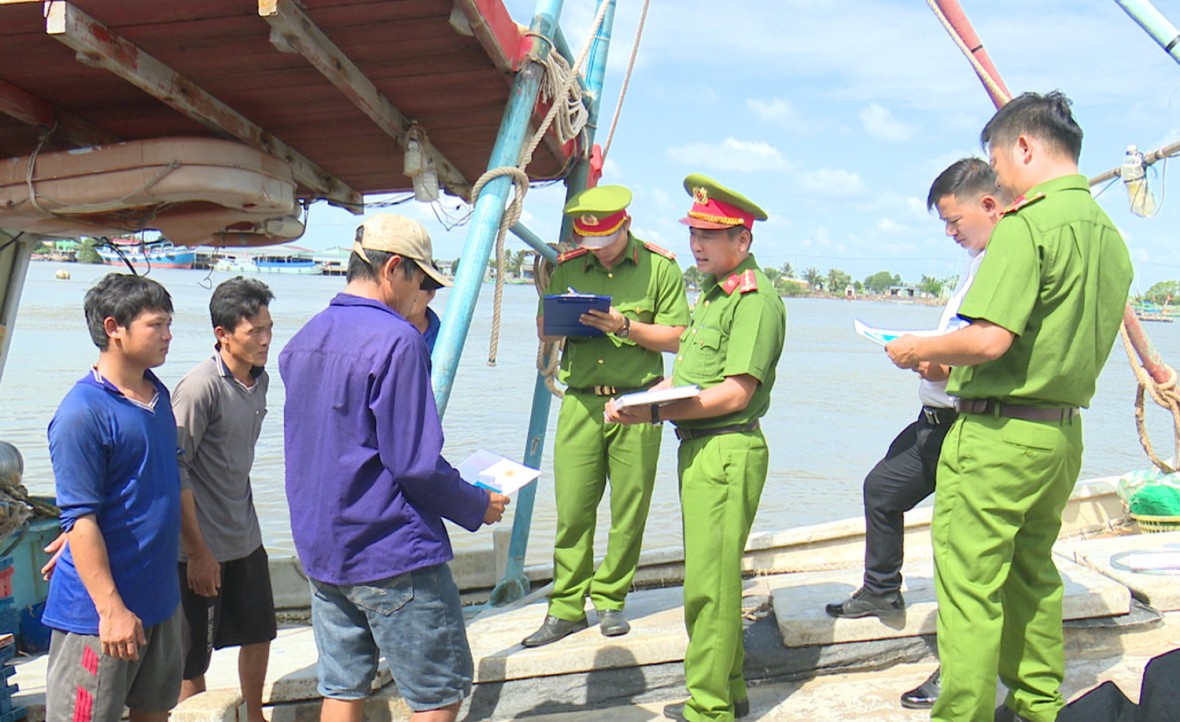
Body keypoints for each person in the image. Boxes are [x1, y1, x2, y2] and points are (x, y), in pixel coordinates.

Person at [885, 91, 1133, 722]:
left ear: (1023, 147)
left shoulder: (1028, 226)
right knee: (1032, 576)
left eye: (997, 159)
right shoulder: (1111, 238)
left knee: (969, 587)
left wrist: (919, 346)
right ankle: (1038, 705)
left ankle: (962, 712)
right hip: (1060, 436)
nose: (997, 174)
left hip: (998, 435)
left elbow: (989, 338)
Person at [279, 213, 510, 722]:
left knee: (341, 688)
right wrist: (477, 504)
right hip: (390, 552)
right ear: (394, 270)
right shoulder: (397, 340)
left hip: (324, 550)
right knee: (438, 693)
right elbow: (415, 464)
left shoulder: (305, 338)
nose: (424, 296)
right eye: (424, 282)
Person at [823, 158, 1004, 710]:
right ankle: (882, 588)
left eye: (955, 221)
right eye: (944, 224)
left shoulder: (1001, 267)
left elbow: (982, 350)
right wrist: (924, 355)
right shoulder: (977, 264)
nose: (951, 233)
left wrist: (928, 360)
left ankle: (961, 671)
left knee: (960, 556)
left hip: (965, 424)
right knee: (882, 489)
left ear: (989, 205)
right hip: (932, 421)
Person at [607, 175, 786, 722]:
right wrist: (649, 395)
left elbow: (735, 392)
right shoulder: (712, 297)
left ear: (743, 241)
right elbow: (692, 374)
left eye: (710, 235)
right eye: (694, 234)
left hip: (727, 449)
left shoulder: (753, 299)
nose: (698, 246)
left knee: (709, 588)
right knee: (713, 579)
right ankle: (727, 692)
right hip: (701, 448)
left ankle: (707, 708)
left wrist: (654, 411)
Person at [523, 185, 690, 647]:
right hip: (580, 400)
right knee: (572, 507)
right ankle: (566, 607)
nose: (599, 250)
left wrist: (625, 326)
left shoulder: (661, 268)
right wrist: (564, 320)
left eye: (606, 241)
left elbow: (679, 338)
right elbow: (543, 327)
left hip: (638, 400)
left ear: (626, 226)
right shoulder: (570, 268)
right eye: (590, 242)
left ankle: (612, 598)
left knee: (629, 507)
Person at [43, 273, 182, 722]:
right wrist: (111, 608)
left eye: (168, 324)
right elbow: (80, 519)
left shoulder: (157, 396)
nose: (168, 335)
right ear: (113, 328)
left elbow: (146, 486)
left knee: (155, 711)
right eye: (156, 325)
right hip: (98, 616)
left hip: (158, 602)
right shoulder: (82, 413)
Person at [172, 276, 277, 722]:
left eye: (270, 328)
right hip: (198, 548)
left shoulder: (260, 381)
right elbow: (174, 470)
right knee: (193, 657)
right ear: (223, 334)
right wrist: (197, 553)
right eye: (255, 332)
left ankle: (254, 716)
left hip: (245, 537)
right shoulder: (199, 388)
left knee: (260, 633)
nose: (266, 340)